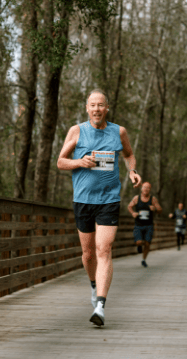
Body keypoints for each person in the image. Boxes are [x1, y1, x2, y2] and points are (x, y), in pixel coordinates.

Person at [57, 89, 142, 327]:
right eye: (92, 105)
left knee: (103, 249)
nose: (96, 109)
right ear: (87, 108)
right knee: (88, 254)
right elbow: (60, 161)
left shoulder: (119, 132)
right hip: (83, 200)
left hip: (109, 199)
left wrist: (132, 170)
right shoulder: (77, 131)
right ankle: (94, 286)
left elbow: (129, 154)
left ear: (107, 108)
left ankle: (100, 306)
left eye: (101, 105)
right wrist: (79, 162)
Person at [127, 182, 162, 267]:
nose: (146, 189)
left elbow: (160, 210)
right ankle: (139, 246)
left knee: (147, 243)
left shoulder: (153, 199)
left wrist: (155, 209)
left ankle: (143, 259)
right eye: (144, 187)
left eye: (148, 188)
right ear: (141, 188)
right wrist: (133, 213)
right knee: (139, 242)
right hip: (138, 225)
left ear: (150, 189)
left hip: (149, 225)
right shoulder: (136, 198)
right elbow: (129, 206)